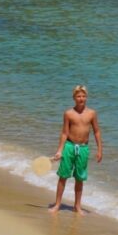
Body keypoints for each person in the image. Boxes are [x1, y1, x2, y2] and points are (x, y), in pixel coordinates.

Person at [49, 85, 103, 214]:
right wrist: (59, 150)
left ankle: (77, 206)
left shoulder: (91, 113)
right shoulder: (69, 113)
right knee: (63, 176)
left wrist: (99, 149)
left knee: (80, 178)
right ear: (74, 97)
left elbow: (96, 132)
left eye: (83, 96)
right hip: (69, 146)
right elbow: (64, 133)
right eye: (78, 96)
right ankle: (57, 204)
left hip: (83, 148)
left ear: (86, 97)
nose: (81, 98)